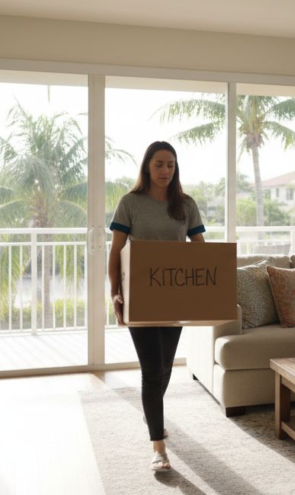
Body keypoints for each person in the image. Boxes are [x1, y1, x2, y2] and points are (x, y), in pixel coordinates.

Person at [108, 140, 206, 473]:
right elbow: (115, 251)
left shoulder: (186, 204)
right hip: (141, 298)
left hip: (175, 297)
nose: (165, 171)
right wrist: (115, 292)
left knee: (164, 368)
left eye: (171, 165)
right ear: (147, 167)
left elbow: (200, 252)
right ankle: (158, 446)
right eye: (159, 165)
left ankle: (155, 420)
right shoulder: (129, 203)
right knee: (152, 371)